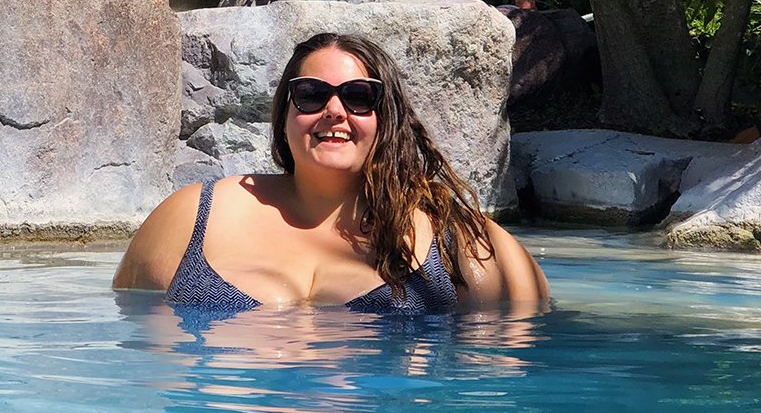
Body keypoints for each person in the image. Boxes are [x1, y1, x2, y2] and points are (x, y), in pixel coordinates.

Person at [114, 31, 548, 315]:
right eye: (311, 94)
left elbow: (515, 376)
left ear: (387, 117)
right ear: (285, 114)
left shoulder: (457, 243)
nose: (335, 110)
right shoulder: (188, 218)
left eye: (360, 97)